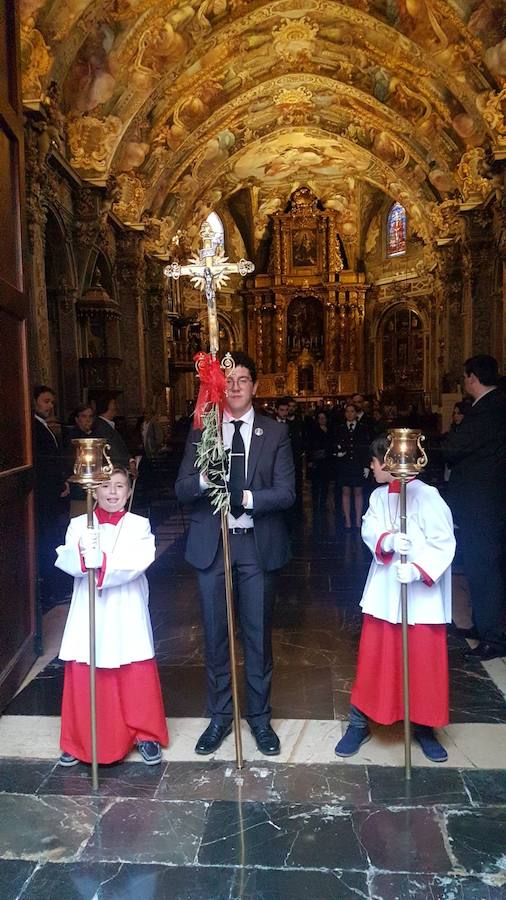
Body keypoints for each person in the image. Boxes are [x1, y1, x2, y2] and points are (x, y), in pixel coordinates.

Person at [175, 351, 295, 756]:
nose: (236, 386)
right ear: (219, 386)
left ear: (256, 386)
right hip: (213, 545)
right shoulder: (201, 432)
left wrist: (244, 496)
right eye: (229, 379)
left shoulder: (275, 433)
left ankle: (259, 719)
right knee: (215, 635)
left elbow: (286, 493)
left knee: (257, 636)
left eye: (244, 379)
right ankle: (220, 716)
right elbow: (182, 489)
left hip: (255, 547)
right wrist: (206, 477)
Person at [335, 435, 456, 762]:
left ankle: (423, 726)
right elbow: (369, 529)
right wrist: (387, 541)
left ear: (389, 463)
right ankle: (359, 722)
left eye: (374, 462)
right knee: (376, 658)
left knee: (422, 664)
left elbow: (445, 542)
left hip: (420, 596)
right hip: (387, 593)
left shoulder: (428, 497)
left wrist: (418, 569)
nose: (371, 467)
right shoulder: (378, 497)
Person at [54, 468, 168, 766]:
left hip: (125, 606)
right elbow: (66, 558)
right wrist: (81, 557)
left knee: (132, 664)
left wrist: (103, 563)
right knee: (85, 663)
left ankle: (144, 733)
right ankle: (79, 739)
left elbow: (138, 561)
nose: (113, 492)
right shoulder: (79, 524)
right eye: (106, 485)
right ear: (94, 490)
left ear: (129, 492)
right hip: (88, 607)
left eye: (120, 486)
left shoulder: (139, 525)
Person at [442, 355, 506, 660]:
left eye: (465, 376)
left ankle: (493, 635)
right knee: (489, 566)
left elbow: (454, 448)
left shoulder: (485, 411)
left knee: (484, 569)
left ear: (471, 378)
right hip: (491, 500)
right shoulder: (498, 405)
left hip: (482, 504)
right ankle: (488, 626)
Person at [33, 385, 70, 611]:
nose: (50, 406)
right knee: (46, 540)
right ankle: (48, 589)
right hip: (44, 495)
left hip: (51, 493)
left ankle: (54, 585)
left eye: (52, 402)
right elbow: (44, 463)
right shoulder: (34, 428)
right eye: (46, 401)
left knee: (52, 538)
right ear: (34, 402)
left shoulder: (45, 427)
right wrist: (58, 483)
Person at [334, 402, 370, 529]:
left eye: (352, 411)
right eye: (347, 411)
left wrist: (366, 465)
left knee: (358, 492)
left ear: (356, 413)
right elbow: (334, 443)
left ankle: (358, 520)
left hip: (358, 463)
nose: (349, 414)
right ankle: (348, 520)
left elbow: (366, 447)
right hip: (344, 463)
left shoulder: (363, 428)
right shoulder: (340, 428)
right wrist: (337, 452)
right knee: (345, 491)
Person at [65, 403, 97, 518]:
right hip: (78, 486)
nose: (88, 420)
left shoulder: (96, 435)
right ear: (77, 419)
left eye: (90, 417)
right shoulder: (71, 437)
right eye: (84, 416)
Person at [94, 392, 137, 475]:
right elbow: (112, 449)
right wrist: (128, 461)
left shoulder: (106, 425)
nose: (116, 406)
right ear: (106, 405)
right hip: (112, 470)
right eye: (113, 403)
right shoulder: (101, 426)